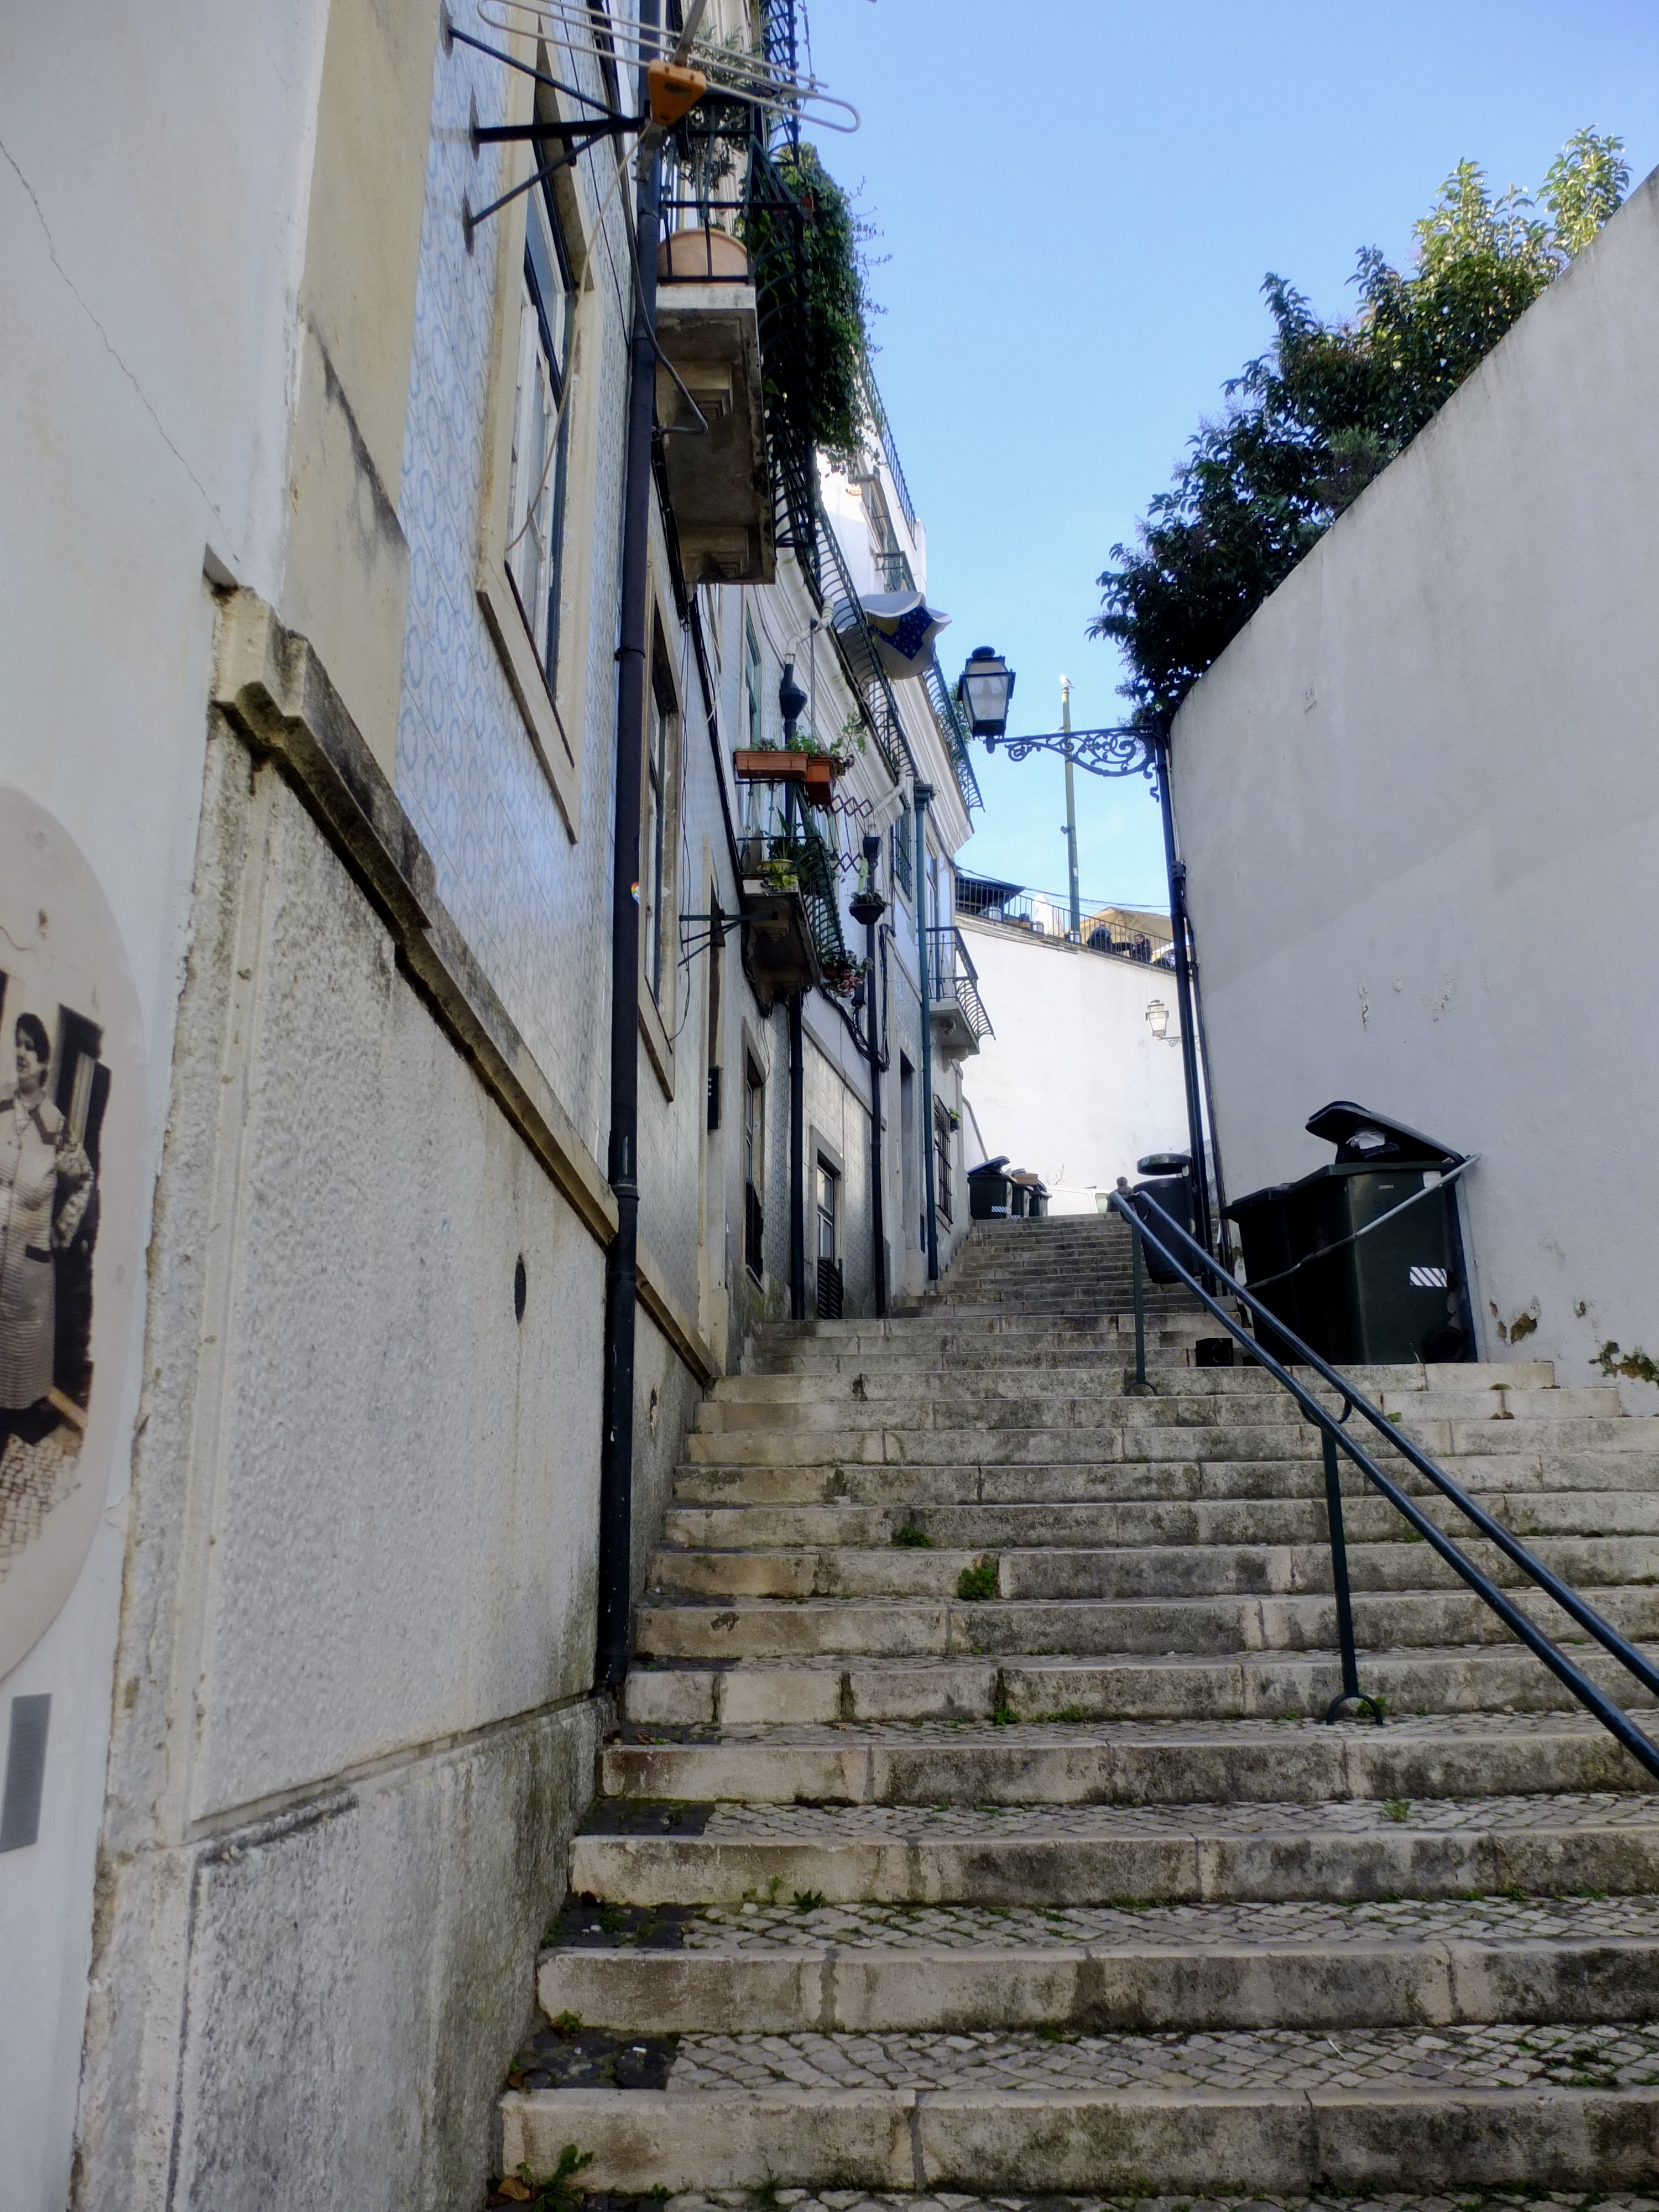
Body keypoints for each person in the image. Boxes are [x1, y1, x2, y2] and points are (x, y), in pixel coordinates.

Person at [0, 1013, 93, 1431]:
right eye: (19, 1044)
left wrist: (60, 1232)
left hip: (25, 1271)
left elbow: (84, 1179)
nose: (23, 1054)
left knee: (11, 1377)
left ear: (45, 1064)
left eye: (32, 1048)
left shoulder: (56, 1128)